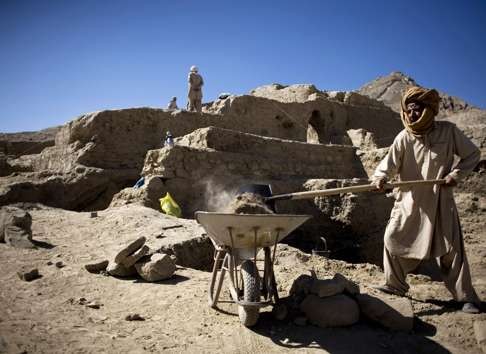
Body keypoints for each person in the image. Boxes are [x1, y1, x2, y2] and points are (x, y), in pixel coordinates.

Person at [372, 86, 481, 314]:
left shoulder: (448, 132)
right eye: (408, 110)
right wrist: (380, 178)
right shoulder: (403, 138)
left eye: (417, 109)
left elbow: (472, 155)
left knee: (452, 250)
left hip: (440, 201)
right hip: (409, 202)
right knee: (392, 238)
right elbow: (387, 166)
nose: (412, 115)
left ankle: (465, 298)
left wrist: (455, 175)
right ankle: (395, 285)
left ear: (428, 110)